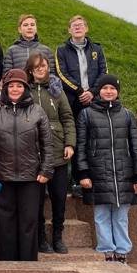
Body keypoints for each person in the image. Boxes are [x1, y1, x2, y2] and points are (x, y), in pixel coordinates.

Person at [74, 74, 137, 264]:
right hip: (98, 173)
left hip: (124, 174)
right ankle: (106, 250)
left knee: (121, 217)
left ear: (117, 92)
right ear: (98, 91)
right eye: (105, 88)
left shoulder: (127, 115)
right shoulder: (86, 114)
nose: (108, 91)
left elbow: (136, 147)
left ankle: (122, 251)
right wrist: (83, 173)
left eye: (112, 88)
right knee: (101, 215)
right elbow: (81, 145)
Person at [0, 69, 53, 261]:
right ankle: (6, 262)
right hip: (2, 176)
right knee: (5, 222)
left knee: (29, 221)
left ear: (25, 88)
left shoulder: (37, 111)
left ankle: (28, 262)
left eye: (19, 85)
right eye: (11, 85)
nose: (15, 89)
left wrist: (46, 169)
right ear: (5, 88)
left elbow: (47, 143)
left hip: (31, 177)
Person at [25, 52, 75, 254]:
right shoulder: (24, 90)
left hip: (57, 151)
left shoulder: (56, 90)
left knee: (59, 198)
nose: (40, 69)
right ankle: (40, 238)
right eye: (36, 66)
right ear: (30, 69)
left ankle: (57, 235)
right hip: (32, 151)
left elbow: (68, 117)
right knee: (36, 200)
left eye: (43, 65)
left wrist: (70, 143)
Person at [55, 15, 108, 199]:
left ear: (86, 28)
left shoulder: (97, 49)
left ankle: (94, 178)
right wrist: (80, 91)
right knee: (76, 139)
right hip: (73, 101)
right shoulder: (61, 50)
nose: (77, 28)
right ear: (69, 30)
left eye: (80, 25)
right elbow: (61, 73)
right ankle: (77, 180)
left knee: (93, 139)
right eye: (74, 26)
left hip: (93, 100)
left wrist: (92, 92)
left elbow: (103, 73)